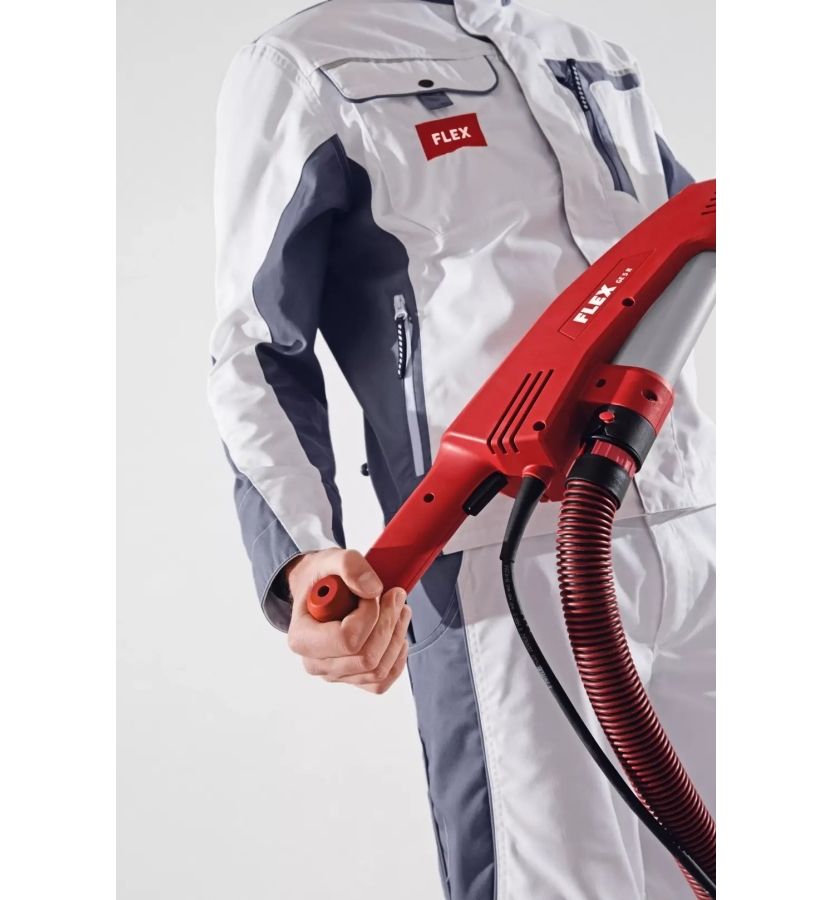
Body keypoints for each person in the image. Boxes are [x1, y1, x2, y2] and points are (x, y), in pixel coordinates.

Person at [207, 1, 715, 897]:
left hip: (699, 530)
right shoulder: (306, 65)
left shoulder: (580, 50)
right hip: (508, 560)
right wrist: (301, 557)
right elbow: (256, 348)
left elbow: (689, 249)